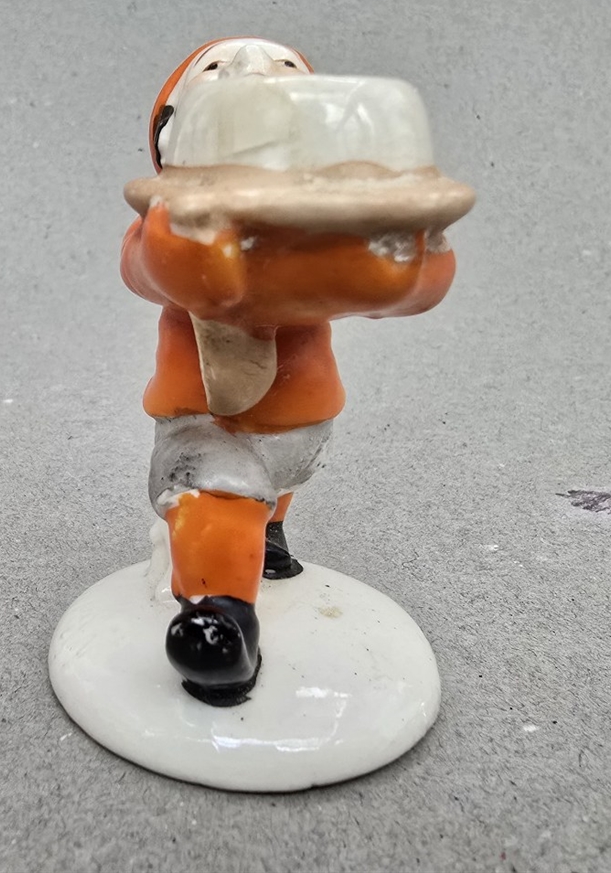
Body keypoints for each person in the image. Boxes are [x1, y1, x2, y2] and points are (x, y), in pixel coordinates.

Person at [120, 37, 456, 705]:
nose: (253, 76)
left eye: (284, 70)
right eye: (216, 70)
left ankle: (269, 534)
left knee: (278, 483)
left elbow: (400, 292)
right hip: (205, 417)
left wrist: (414, 245)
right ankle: (220, 619)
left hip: (302, 410)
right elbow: (151, 269)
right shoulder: (163, 223)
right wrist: (194, 235)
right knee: (217, 494)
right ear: (169, 131)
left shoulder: (326, 231)